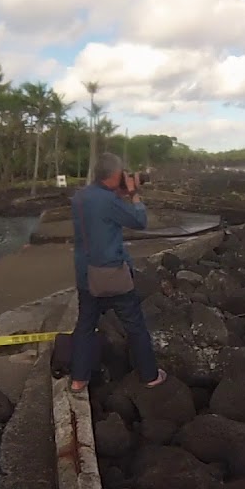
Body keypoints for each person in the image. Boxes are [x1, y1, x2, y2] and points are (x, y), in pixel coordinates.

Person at [68, 153, 166, 395]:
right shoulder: (110, 201)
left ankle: (78, 379)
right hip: (112, 274)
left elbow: (99, 218)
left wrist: (118, 195)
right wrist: (133, 195)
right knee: (135, 325)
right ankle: (150, 375)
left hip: (85, 275)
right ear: (114, 175)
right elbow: (139, 221)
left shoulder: (80, 197)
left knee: (85, 326)